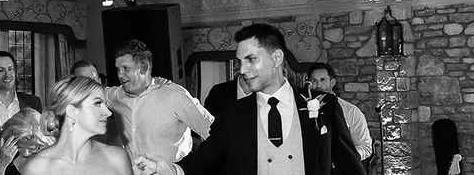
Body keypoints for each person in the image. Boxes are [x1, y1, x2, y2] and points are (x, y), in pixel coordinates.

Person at [135, 24, 366, 175]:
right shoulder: (233, 114)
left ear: (276, 58)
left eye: (251, 59)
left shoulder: (324, 106)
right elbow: (203, 161)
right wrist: (166, 169)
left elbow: (350, 166)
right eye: (240, 61)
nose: (242, 69)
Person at [105, 40, 213, 164]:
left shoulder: (174, 95)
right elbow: (87, 91)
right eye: (118, 69)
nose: (120, 74)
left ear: (144, 67)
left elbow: (214, 131)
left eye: (125, 68)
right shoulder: (116, 95)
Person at [22, 76, 131, 175]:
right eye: (98, 103)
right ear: (72, 111)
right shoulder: (37, 168)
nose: (108, 112)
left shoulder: (117, 158)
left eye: (105, 104)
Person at [308, 63, 372, 161]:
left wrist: (345, 156)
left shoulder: (351, 111)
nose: (318, 85)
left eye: (322, 80)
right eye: (314, 80)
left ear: (332, 82)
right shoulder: (303, 109)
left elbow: (365, 146)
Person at [0, 108, 53, 175]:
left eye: (32, 149)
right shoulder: (1, 144)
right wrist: (1, 165)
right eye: (21, 147)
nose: (26, 153)